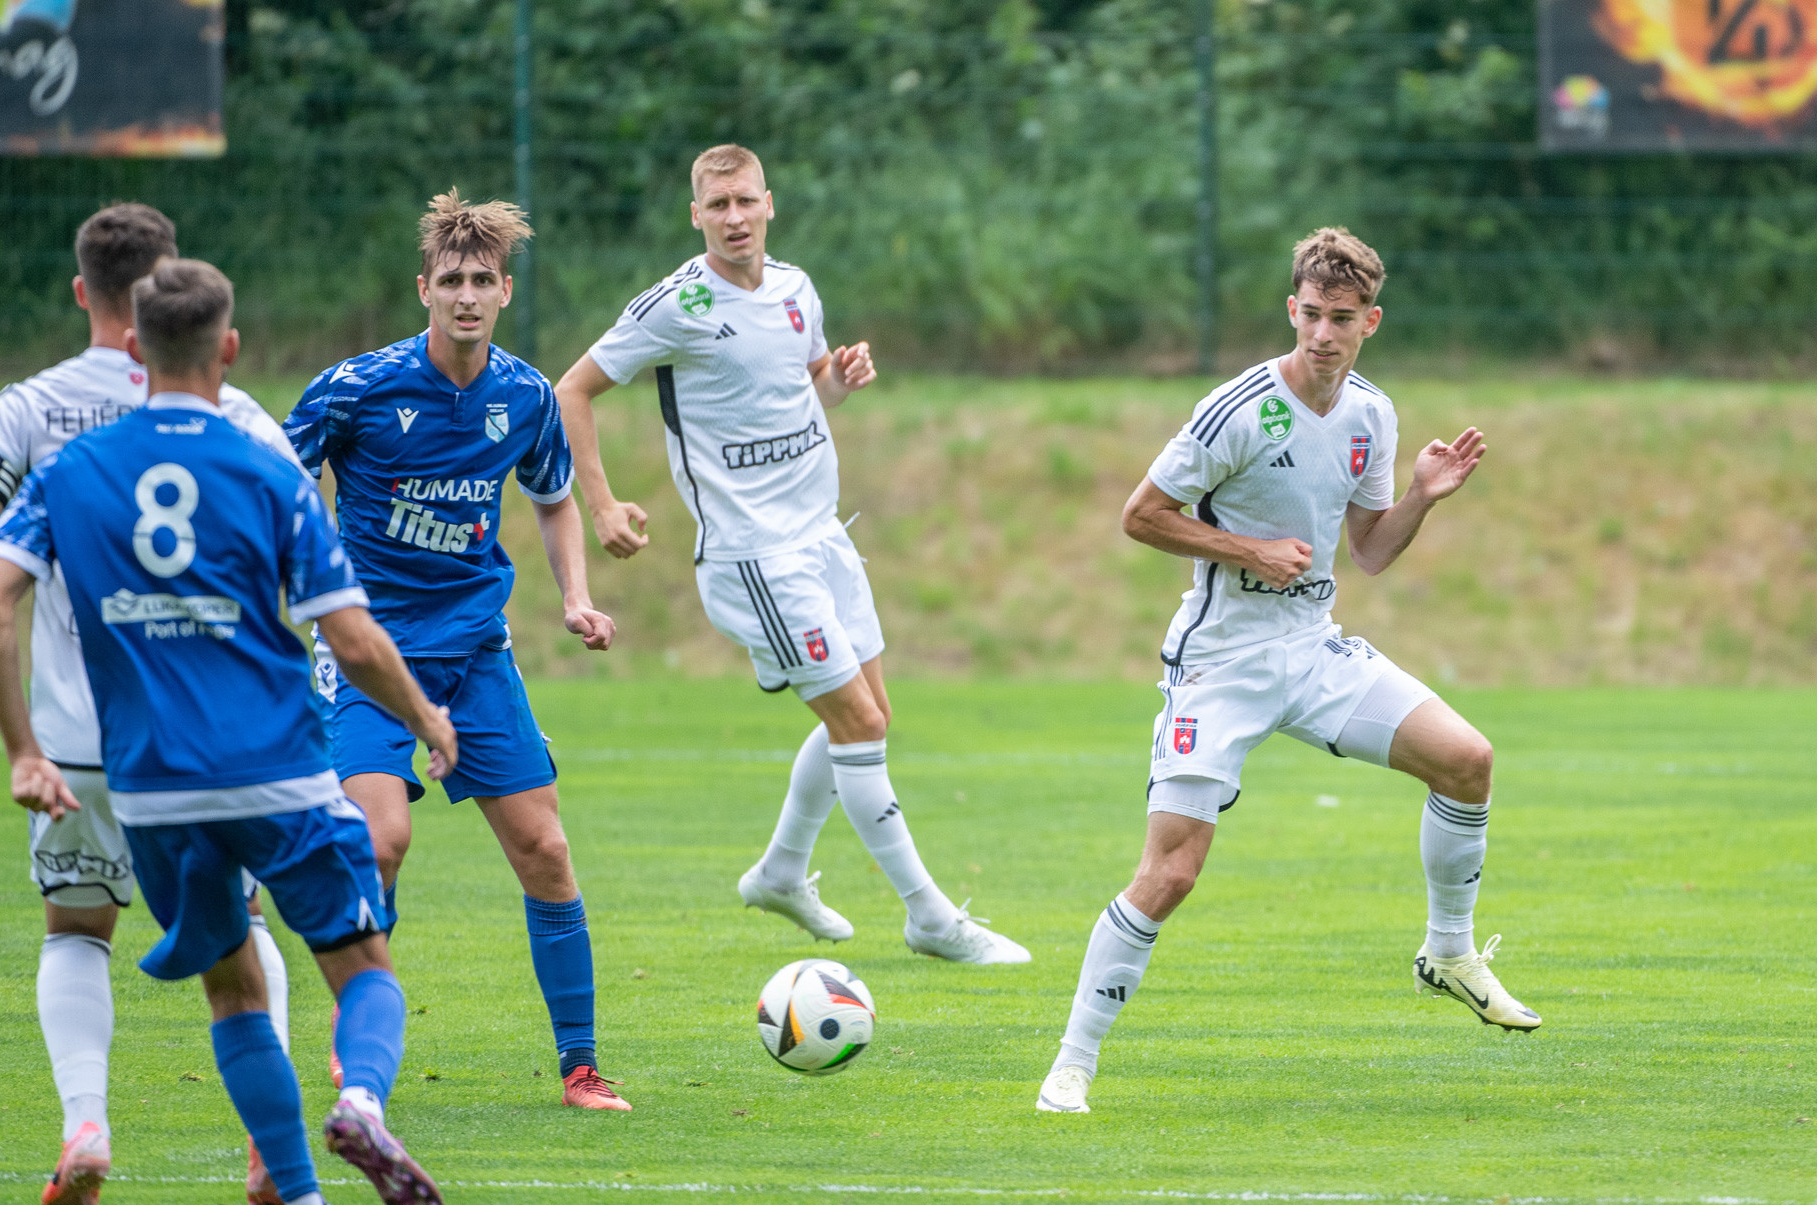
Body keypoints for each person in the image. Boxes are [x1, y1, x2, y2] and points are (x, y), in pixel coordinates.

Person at [0, 258, 454, 1205]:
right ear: (228, 348)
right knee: (363, 967)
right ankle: (361, 1101)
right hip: (277, 768)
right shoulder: (266, 466)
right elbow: (352, 636)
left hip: (151, 787)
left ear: (133, 347)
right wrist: (425, 717)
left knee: (231, 989)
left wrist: (22, 748)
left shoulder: (70, 472)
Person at [1035, 228, 1538, 1115]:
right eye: (1309, 315)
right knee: (1171, 873)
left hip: (1312, 647)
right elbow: (1141, 515)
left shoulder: (1372, 415)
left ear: (1370, 322)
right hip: (1220, 661)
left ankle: (1449, 953)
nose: (1322, 334)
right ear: (1291, 311)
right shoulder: (1235, 410)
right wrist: (1248, 549)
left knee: (1468, 759)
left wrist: (1421, 497)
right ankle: (1072, 1065)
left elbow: (1369, 551)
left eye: (1341, 318)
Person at [554, 145, 1029, 965]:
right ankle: (930, 917)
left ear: (769, 203)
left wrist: (838, 378)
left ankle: (780, 872)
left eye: (745, 200)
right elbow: (572, 390)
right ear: (696, 216)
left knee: (870, 715)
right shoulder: (677, 305)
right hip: (755, 556)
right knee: (860, 723)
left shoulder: (796, 289)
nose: (734, 217)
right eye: (717, 205)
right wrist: (602, 505)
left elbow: (806, 390)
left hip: (823, 536)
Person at [0, 203, 299, 1205]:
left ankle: (85, 1125)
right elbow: (299, 533)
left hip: (76, 740)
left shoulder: (32, 409)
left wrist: (49, 565)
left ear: (81, 290)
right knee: (240, 923)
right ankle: (271, 1146)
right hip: (205, 735)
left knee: (78, 928)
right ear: (171, 288)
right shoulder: (231, 408)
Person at [281, 191, 629, 1110]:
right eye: (451, 282)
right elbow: (277, 482)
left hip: (475, 652)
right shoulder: (356, 388)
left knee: (545, 849)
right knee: (379, 841)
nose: (466, 296)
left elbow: (554, 497)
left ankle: (581, 1068)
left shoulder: (525, 396)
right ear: (423, 290)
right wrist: (297, 585)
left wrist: (576, 597)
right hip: (369, 653)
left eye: (482, 281)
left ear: (505, 291)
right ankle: (359, 1026)